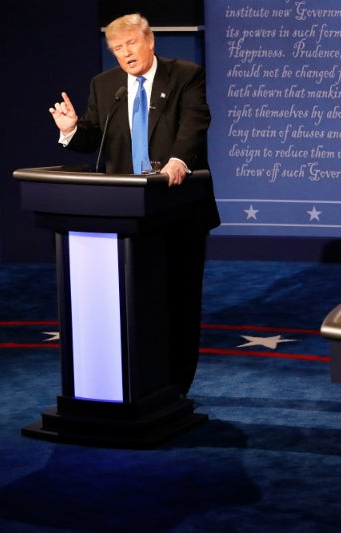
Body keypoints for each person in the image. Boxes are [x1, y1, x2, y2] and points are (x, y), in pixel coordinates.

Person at [49, 13, 220, 396]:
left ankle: (177, 386)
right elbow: (96, 135)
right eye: (117, 48)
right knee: (132, 302)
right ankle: (136, 381)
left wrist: (179, 160)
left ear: (150, 41)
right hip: (126, 213)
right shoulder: (105, 84)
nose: (125, 54)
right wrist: (71, 130)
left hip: (179, 206)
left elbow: (194, 123)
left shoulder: (185, 75)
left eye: (131, 44)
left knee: (179, 299)